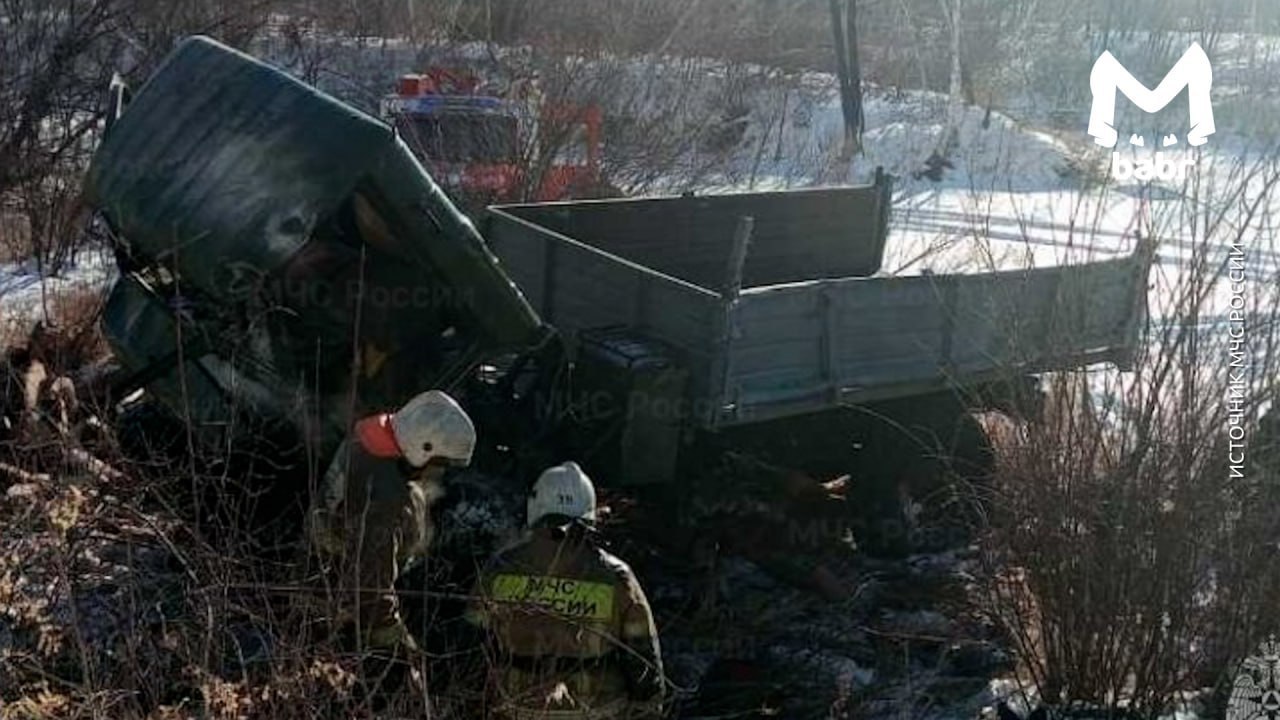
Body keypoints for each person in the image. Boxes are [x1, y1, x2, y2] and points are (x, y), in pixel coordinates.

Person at [465, 461, 665, 719]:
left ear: (535, 507)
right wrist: (649, 708)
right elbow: (643, 658)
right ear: (588, 513)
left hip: (515, 708)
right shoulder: (616, 577)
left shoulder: (499, 570)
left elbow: (469, 646)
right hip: (595, 710)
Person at [308, 389, 476, 656]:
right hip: (334, 598)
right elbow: (371, 588)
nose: (442, 471)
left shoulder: (367, 439)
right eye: (441, 463)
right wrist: (398, 642)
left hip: (317, 562)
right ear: (423, 448)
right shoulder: (387, 500)